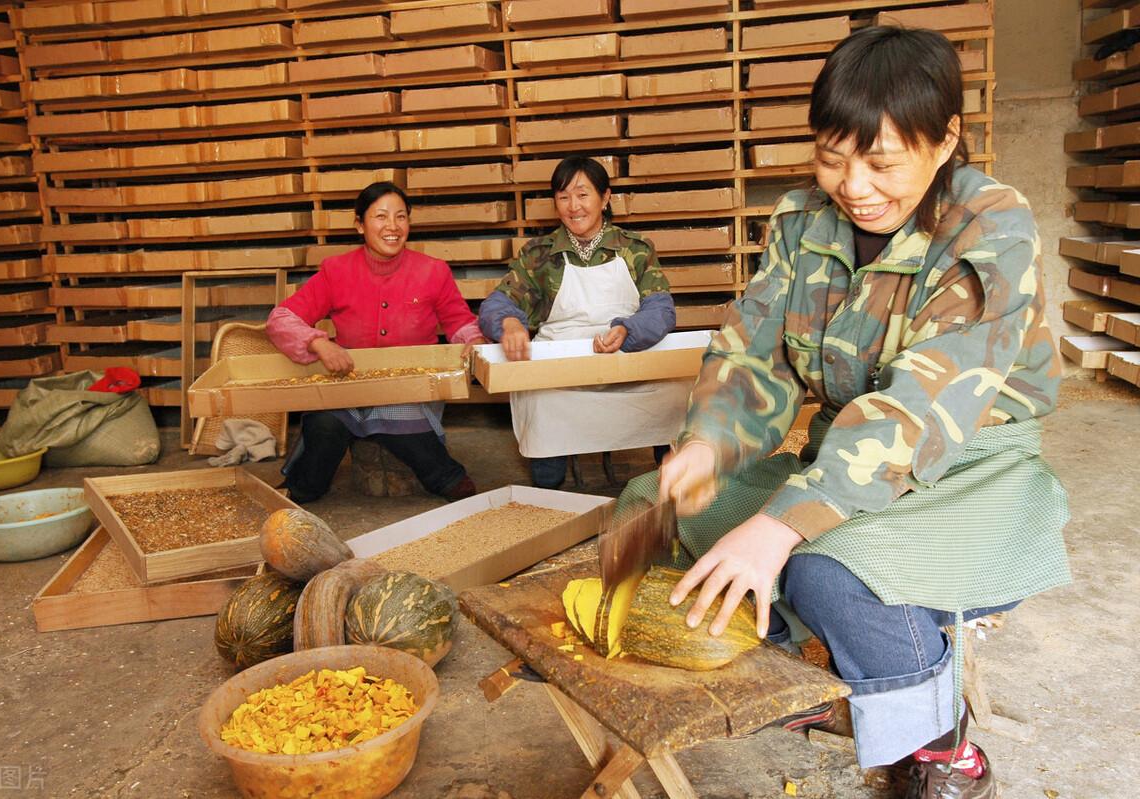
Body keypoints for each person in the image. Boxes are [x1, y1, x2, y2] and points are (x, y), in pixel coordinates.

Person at [617, 26, 1071, 799]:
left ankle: (939, 742)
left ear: (945, 140)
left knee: (828, 568)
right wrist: (708, 445)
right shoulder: (803, 224)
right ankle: (811, 675)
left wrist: (780, 523)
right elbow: (752, 355)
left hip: (969, 469)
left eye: (881, 161)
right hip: (847, 457)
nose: (853, 185)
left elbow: (917, 409)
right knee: (647, 507)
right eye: (832, 156)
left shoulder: (992, 228)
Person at [478, 155, 692, 489]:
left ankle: (673, 487)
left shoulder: (634, 249)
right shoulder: (539, 254)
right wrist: (508, 322)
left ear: (605, 198)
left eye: (582, 194)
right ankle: (548, 494)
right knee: (541, 398)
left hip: (625, 359)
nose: (573, 206)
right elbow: (499, 301)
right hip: (562, 371)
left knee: (675, 392)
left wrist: (627, 329)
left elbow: (661, 309)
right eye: (563, 197)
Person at [267, 181, 484, 504]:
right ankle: (305, 487)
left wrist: (475, 340)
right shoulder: (336, 271)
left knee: (398, 415)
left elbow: (460, 321)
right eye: (381, 217)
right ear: (360, 224)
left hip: (412, 385)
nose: (392, 227)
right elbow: (281, 319)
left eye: (401, 217)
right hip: (350, 381)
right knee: (324, 424)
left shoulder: (433, 271)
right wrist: (318, 343)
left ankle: (445, 475)